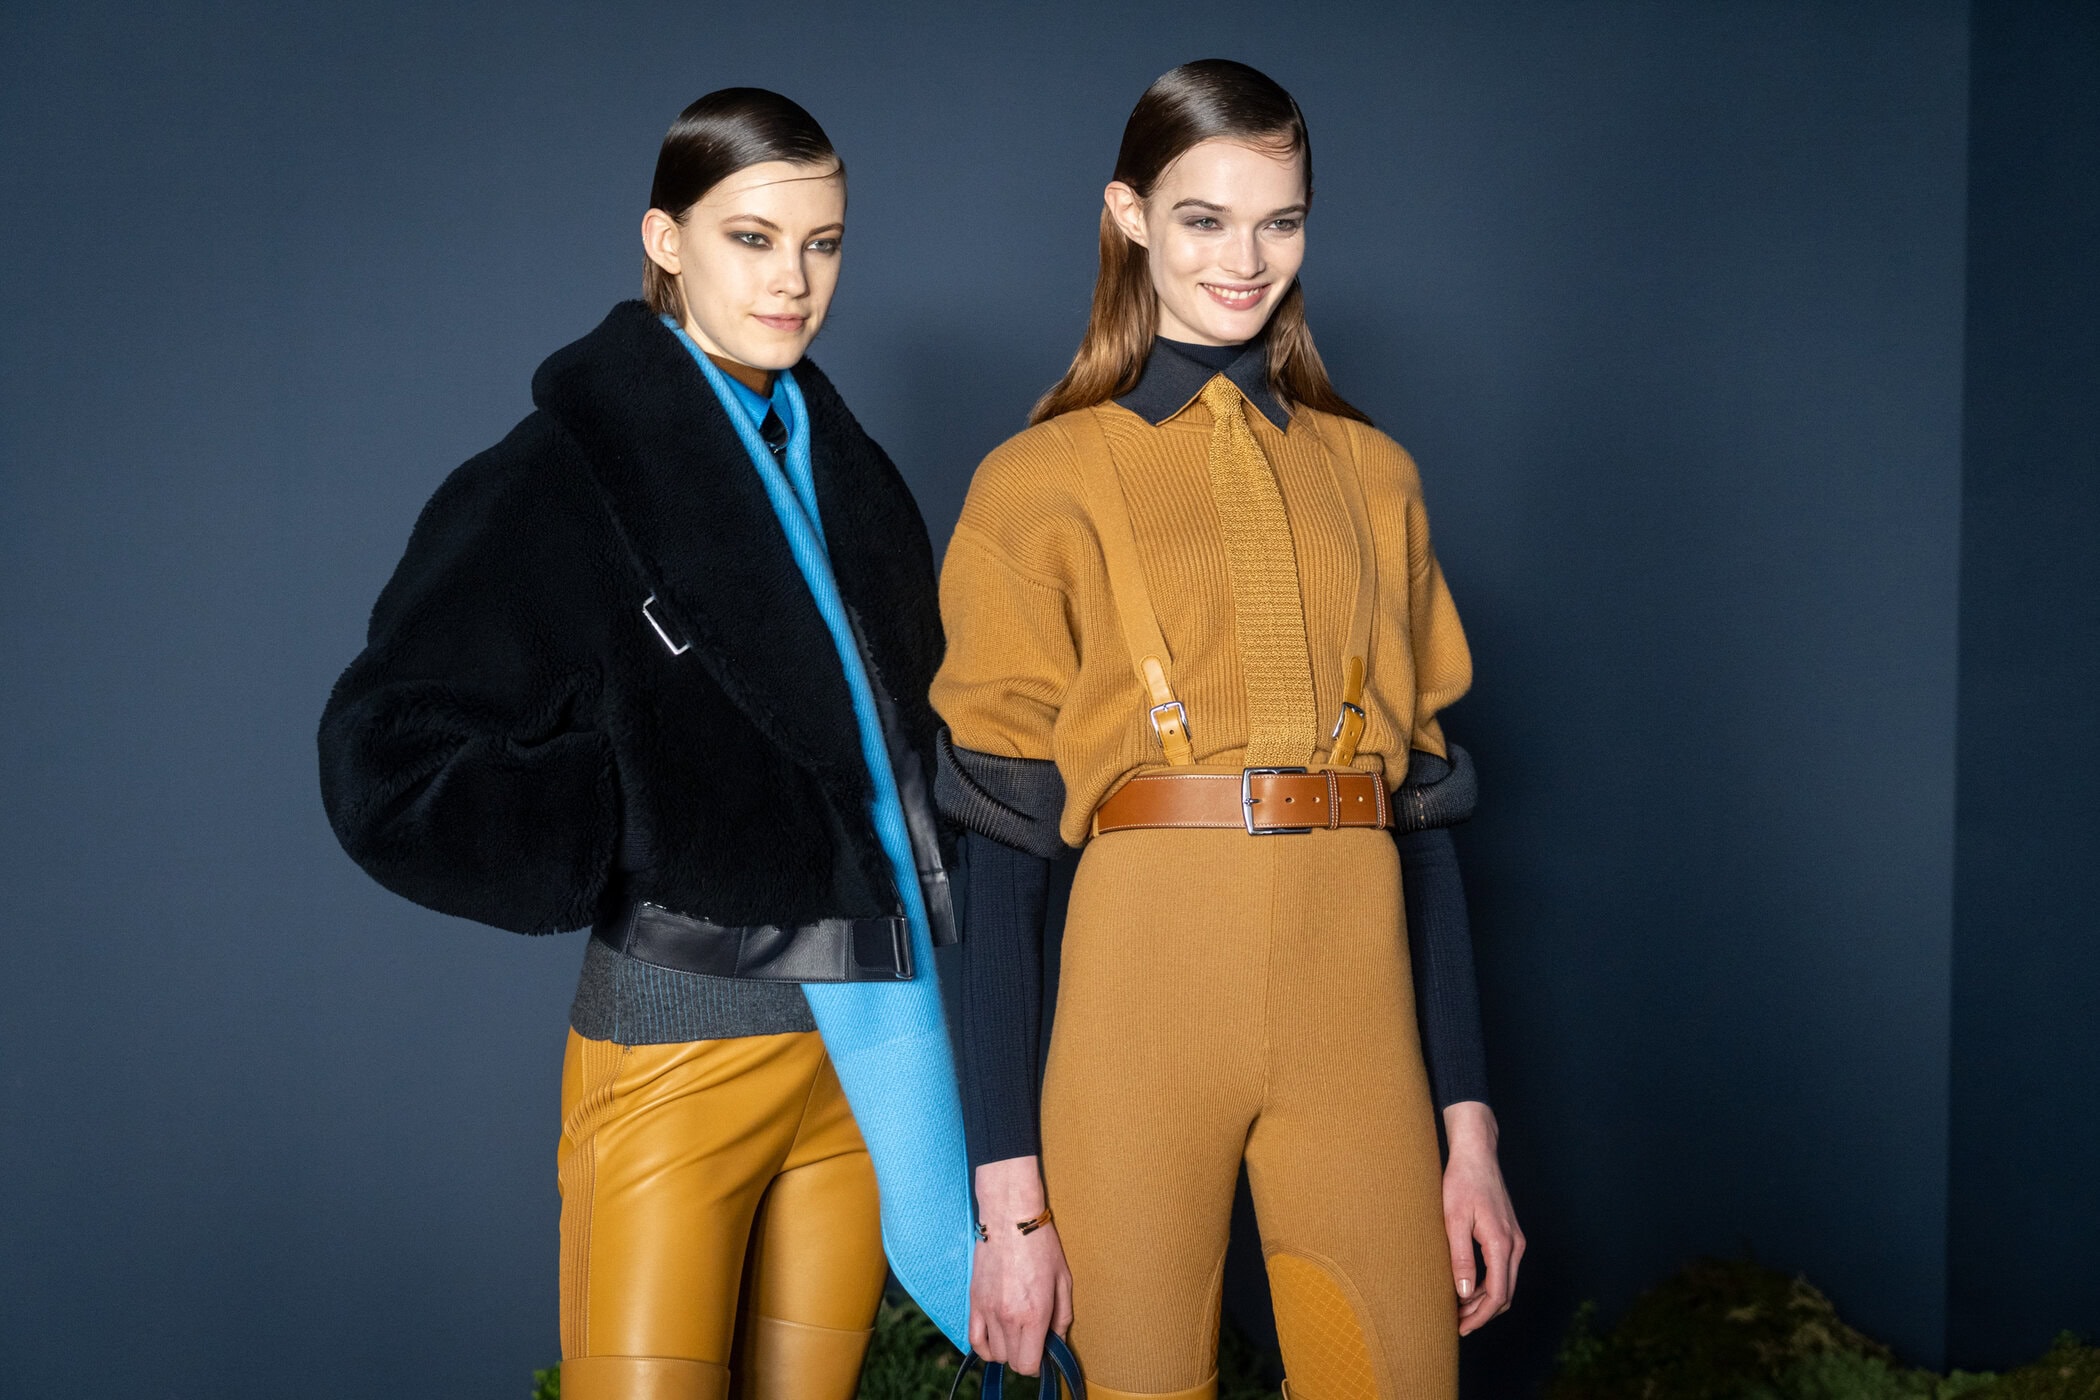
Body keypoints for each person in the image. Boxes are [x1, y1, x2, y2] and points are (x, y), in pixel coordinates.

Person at [317, 89, 971, 1400]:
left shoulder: (849, 473)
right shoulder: (563, 474)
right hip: (678, 1047)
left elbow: (914, 747)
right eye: (752, 238)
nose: (793, 281)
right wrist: (631, 817)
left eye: (823, 243)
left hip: (867, 1059)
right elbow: (386, 753)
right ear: (666, 240)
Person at [932, 59, 1524, 1400]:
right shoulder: (1035, 482)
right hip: (1137, 1013)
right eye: (1204, 219)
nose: (1244, 261)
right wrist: (1010, 1207)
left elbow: (1426, 825)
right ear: (1129, 215)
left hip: (1356, 1011)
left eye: (1280, 221)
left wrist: (1471, 1135)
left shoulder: (1375, 475)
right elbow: (1002, 856)